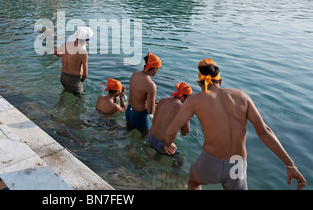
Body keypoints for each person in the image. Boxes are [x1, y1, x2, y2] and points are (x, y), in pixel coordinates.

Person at [165, 59, 307, 190]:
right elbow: (264, 131)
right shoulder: (242, 96)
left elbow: (172, 130)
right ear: (220, 81)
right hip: (237, 164)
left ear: (199, 83)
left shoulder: (194, 100)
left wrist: (168, 144)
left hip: (210, 161)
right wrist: (290, 164)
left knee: (194, 181)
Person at [147, 82, 192, 155]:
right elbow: (184, 132)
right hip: (162, 144)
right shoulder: (182, 108)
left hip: (150, 138)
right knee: (180, 159)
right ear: (188, 97)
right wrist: (169, 144)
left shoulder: (162, 100)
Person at [126, 52, 162, 130]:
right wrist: (155, 106)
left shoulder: (135, 74)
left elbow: (136, 97)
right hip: (139, 116)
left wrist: (150, 102)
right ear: (155, 69)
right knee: (145, 139)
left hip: (128, 111)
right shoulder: (151, 85)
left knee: (127, 132)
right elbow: (150, 111)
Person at [54, 26, 94, 96]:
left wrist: (62, 55)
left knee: (65, 92)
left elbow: (55, 52)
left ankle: (60, 104)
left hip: (63, 78)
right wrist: (81, 81)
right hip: (74, 80)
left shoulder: (65, 44)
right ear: (87, 40)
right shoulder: (83, 52)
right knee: (80, 100)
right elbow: (85, 74)